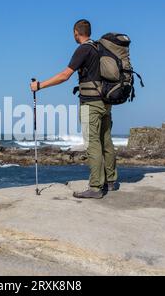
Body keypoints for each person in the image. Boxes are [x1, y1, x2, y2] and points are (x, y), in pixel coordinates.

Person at [30, 19, 117, 199]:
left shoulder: (84, 49)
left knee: (93, 143)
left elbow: (65, 75)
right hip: (105, 103)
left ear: (76, 32)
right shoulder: (100, 48)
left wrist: (40, 85)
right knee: (106, 141)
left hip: (90, 104)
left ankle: (95, 187)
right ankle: (111, 181)